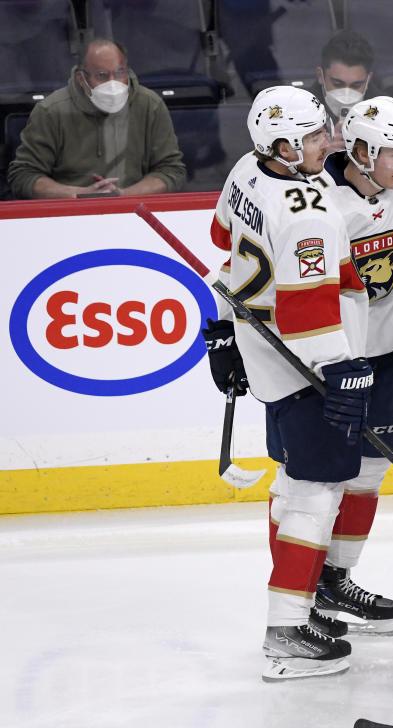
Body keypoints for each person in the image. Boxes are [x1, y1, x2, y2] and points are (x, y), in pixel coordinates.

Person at [204, 84, 372, 681]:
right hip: (306, 367)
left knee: (291, 484)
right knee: (316, 493)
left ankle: (294, 606)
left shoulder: (246, 172)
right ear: (281, 144)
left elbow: (224, 247)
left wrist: (221, 331)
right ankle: (285, 631)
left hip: (264, 357)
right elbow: (306, 313)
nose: (328, 142)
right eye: (313, 137)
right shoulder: (309, 212)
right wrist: (343, 370)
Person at [307, 96, 393, 636]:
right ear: (359, 150)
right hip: (334, 366)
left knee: (370, 474)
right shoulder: (322, 205)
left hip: (389, 355)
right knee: (320, 482)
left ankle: (336, 579)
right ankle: (303, 591)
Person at [7, 38, 186, 199]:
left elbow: (171, 169)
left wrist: (125, 195)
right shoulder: (51, 111)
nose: (112, 83)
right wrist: (79, 194)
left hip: (135, 212)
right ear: (81, 78)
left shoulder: (150, 105)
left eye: (119, 73)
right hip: (69, 215)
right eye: (102, 76)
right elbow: (24, 175)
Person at [308, 30, 376, 153]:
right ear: (320, 76)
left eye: (356, 85)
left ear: (368, 80)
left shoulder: (387, 110)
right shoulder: (299, 112)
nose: (346, 93)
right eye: (338, 84)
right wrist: (320, 154)